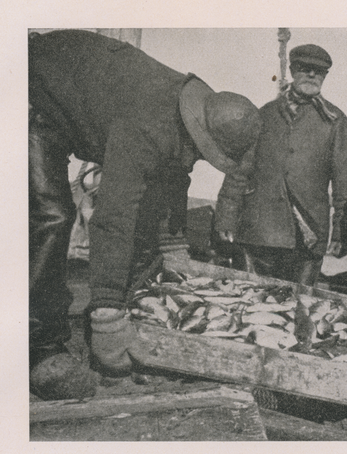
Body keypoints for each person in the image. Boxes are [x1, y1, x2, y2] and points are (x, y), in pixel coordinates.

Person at [29, 29, 261, 400]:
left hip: (72, 92)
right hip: (31, 87)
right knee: (51, 217)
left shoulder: (186, 121)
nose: (197, 158)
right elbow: (114, 217)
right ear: (195, 131)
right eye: (201, 151)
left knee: (136, 233)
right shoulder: (148, 123)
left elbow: (162, 205)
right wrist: (106, 314)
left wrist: (172, 250)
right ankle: (40, 348)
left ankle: (95, 330)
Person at [216, 44, 347, 286]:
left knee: (300, 307)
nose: (312, 75)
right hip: (260, 234)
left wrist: (342, 232)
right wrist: (226, 217)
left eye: (319, 71)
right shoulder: (264, 115)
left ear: (325, 76)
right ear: (292, 70)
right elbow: (239, 170)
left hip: (307, 239)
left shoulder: (335, 122)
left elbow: (345, 182)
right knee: (252, 304)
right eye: (305, 69)